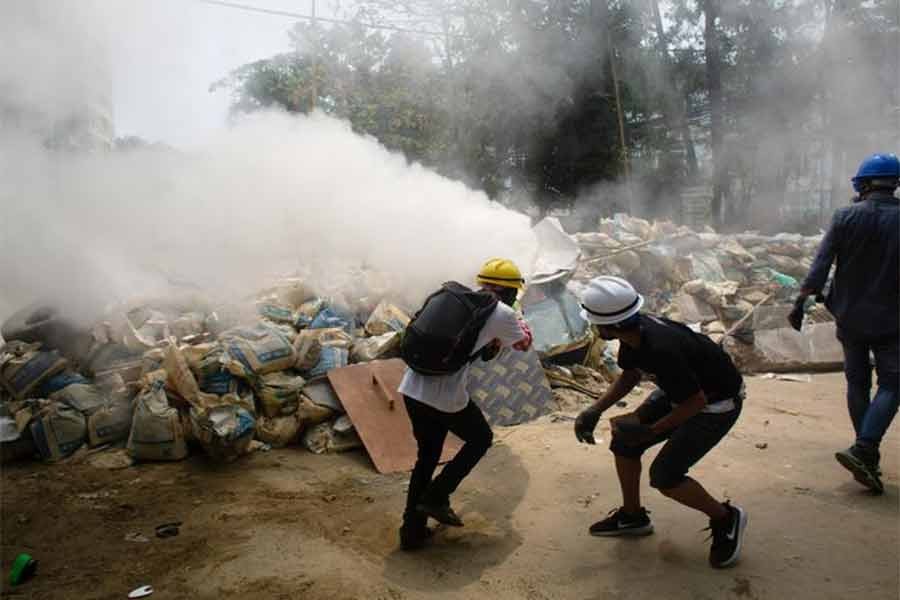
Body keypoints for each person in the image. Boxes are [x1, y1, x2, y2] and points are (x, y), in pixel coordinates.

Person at [573, 276, 747, 569]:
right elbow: (630, 375)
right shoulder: (634, 332)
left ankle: (725, 518)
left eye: (594, 322)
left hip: (716, 404)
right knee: (623, 444)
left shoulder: (661, 348)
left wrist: (649, 431)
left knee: (665, 476)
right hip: (681, 392)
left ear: (610, 326)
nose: (592, 326)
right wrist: (596, 409)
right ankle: (632, 517)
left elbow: (696, 403)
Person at [398, 258, 533, 550]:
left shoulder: (456, 300)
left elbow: (481, 348)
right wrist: (517, 319)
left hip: (411, 388)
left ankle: (411, 531)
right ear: (511, 292)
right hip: (444, 397)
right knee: (481, 439)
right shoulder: (503, 312)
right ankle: (437, 496)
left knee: (427, 456)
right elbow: (524, 344)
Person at [790, 153, 899, 494]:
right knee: (893, 384)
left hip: (849, 316)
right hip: (893, 319)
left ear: (863, 184)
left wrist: (800, 301)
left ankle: (865, 450)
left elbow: (821, 265)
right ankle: (865, 448)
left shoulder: (845, 216)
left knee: (857, 381)